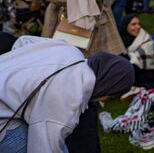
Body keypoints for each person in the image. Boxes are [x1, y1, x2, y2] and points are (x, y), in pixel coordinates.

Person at [0, 36, 134, 153]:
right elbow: (44, 146)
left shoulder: (69, 49)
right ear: (107, 86)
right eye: (111, 96)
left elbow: (23, 41)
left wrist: (18, 78)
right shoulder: (70, 96)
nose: (106, 100)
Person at [119, 14, 154, 87]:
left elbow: (144, 58)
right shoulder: (119, 41)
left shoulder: (144, 38)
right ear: (125, 26)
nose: (138, 27)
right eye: (133, 24)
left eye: (139, 24)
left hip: (142, 70)